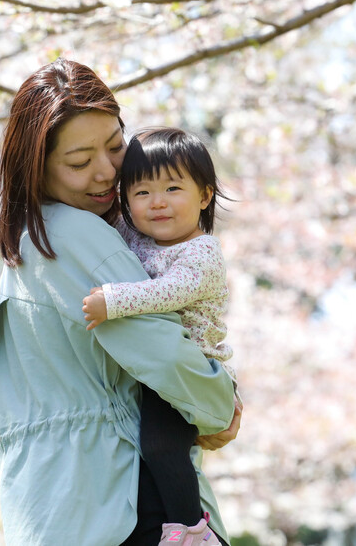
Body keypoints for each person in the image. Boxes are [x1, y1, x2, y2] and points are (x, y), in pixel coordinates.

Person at [0, 58, 241, 546]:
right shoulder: (77, 235)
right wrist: (221, 404)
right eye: (79, 162)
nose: (105, 172)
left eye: (116, 146)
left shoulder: (24, 250)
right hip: (128, 501)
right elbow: (160, 350)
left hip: (51, 509)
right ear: (35, 166)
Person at [81, 127, 236, 542]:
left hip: (191, 372)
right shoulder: (139, 237)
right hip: (157, 375)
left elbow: (170, 291)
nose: (158, 202)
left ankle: (190, 531)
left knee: (162, 446)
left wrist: (112, 301)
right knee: (151, 451)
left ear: (204, 196)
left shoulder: (201, 252)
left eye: (172, 188)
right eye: (142, 193)